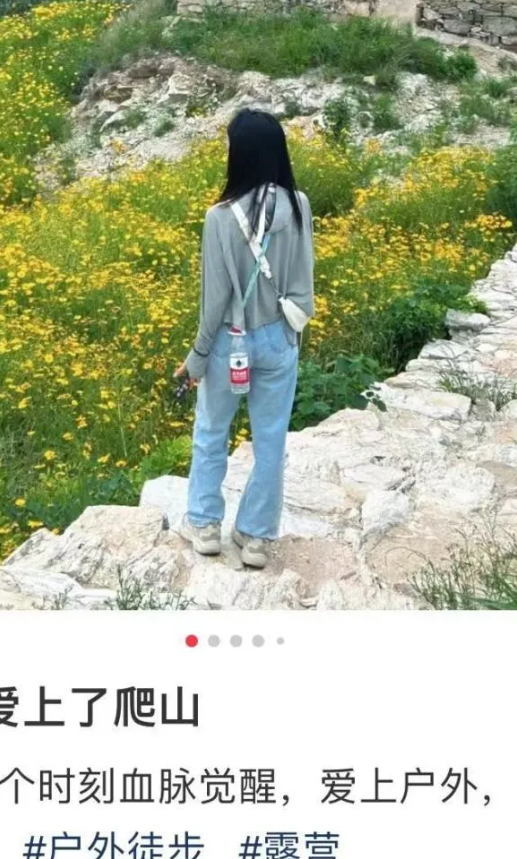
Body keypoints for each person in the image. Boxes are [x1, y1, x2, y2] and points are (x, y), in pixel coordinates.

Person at [174, 108, 314, 570]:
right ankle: (255, 537)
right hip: (278, 338)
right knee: (270, 439)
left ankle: (205, 526)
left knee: (212, 431)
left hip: (229, 342)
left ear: (239, 154)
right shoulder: (299, 205)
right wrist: (291, 331)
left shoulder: (219, 217)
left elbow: (214, 300)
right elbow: (304, 279)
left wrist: (196, 358)